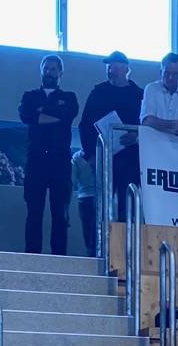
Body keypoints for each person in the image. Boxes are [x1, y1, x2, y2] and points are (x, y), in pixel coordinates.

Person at [18, 55, 78, 256]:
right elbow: (27, 115)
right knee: (34, 211)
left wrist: (41, 113)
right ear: (41, 71)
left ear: (60, 73)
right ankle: (32, 256)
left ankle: (59, 257)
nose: (49, 72)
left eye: (53, 69)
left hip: (60, 162)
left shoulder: (69, 97)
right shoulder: (29, 96)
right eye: (46, 68)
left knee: (60, 213)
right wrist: (54, 114)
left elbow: (67, 114)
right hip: (35, 161)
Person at [79, 51, 143, 225]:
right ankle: (97, 249)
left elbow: (146, 126)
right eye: (108, 66)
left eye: (113, 66)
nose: (109, 69)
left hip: (130, 158)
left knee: (127, 205)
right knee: (100, 205)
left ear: (125, 68)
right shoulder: (98, 93)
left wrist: (136, 135)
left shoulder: (139, 95)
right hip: (104, 157)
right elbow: (85, 125)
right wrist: (90, 154)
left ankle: (127, 248)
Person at [140, 52, 178, 137]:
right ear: (161, 72)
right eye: (167, 73)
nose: (170, 78)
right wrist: (173, 124)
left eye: (175, 74)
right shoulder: (151, 89)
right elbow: (146, 120)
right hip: (154, 142)